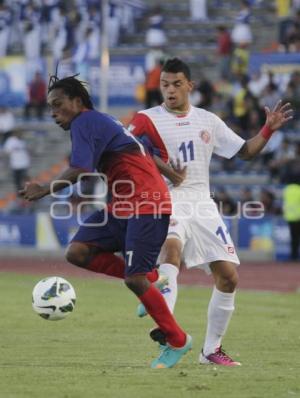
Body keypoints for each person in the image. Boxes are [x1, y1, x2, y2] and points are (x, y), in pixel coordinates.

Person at [19, 73, 192, 369]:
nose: (53, 113)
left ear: (77, 101)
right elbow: (137, 153)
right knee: (78, 251)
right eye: (50, 107)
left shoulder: (84, 122)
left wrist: (43, 188)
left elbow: (79, 169)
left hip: (146, 203)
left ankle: (177, 339)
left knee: (133, 279)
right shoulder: (101, 121)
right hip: (123, 204)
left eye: (58, 105)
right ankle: (154, 280)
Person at [128, 58, 292, 366]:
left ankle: (211, 351)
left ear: (190, 86)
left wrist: (267, 130)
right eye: (165, 85)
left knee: (228, 277)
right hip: (166, 197)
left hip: (202, 202)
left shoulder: (208, 120)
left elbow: (245, 151)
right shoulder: (145, 119)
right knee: (171, 250)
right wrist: (162, 170)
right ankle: (165, 324)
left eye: (176, 84)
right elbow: (127, 149)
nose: (170, 90)